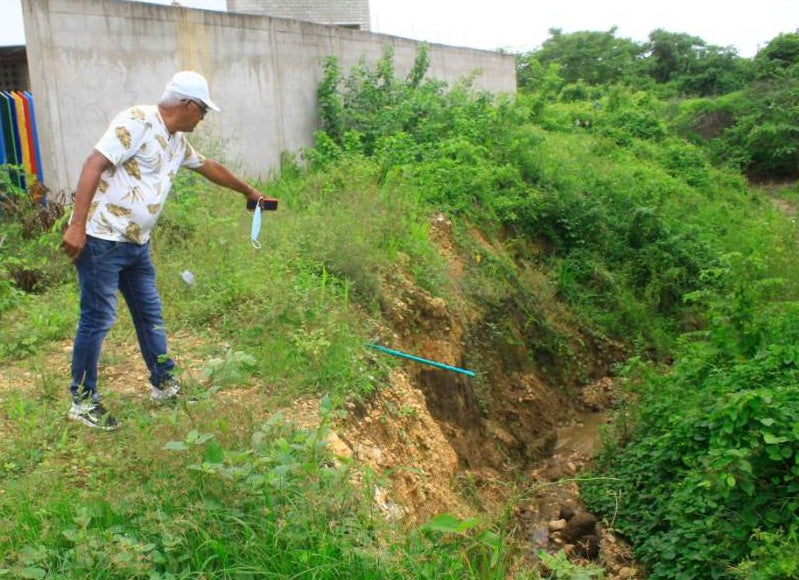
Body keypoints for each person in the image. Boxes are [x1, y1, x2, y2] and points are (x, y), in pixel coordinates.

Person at [60, 71, 264, 430]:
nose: (203, 118)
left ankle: (164, 383)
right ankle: (82, 401)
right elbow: (94, 163)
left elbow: (209, 167)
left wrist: (249, 191)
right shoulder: (137, 121)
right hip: (103, 240)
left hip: (137, 245)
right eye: (202, 111)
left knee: (149, 313)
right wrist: (77, 225)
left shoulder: (175, 140)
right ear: (187, 104)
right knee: (98, 318)